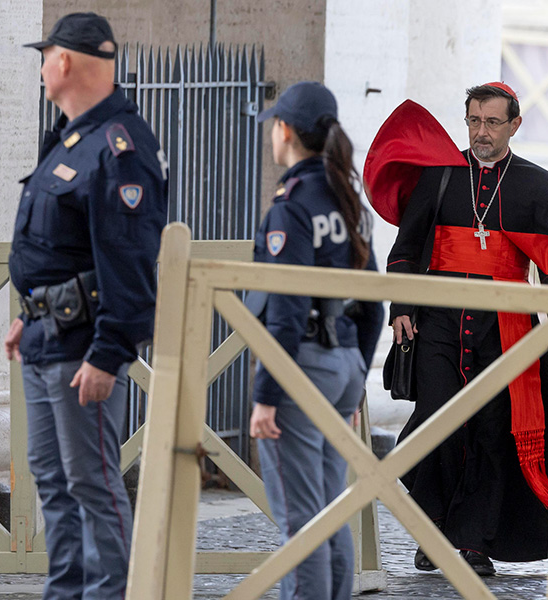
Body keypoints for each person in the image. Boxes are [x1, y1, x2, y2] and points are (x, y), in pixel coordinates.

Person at [386, 82, 548, 576]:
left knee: (491, 431)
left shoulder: (536, 183)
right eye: (474, 121)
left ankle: (475, 543)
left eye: (492, 122)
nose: (481, 132)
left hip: (505, 329)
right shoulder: (438, 173)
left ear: (514, 125)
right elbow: (407, 246)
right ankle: (434, 530)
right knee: (436, 421)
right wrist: (402, 306)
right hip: (438, 321)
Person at [4, 12, 168, 599]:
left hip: (83, 349)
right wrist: (29, 315)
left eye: (44, 57)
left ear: (65, 61)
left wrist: (109, 352)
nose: (43, 68)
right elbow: (59, 246)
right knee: (52, 480)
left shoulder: (120, 146)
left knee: (92, 484)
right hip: (49, 339)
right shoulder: (72, 135)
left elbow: (127, 261)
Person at [248, 82, 383, 600]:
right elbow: (374, 304)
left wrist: (264, 395)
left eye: (273, 127)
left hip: (302, 365)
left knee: (301, 521)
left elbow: (284, 310)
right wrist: (357, 377)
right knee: (332, 512)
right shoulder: (348, 198)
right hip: (345, 361)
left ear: (284, 131)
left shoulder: (293, 203)